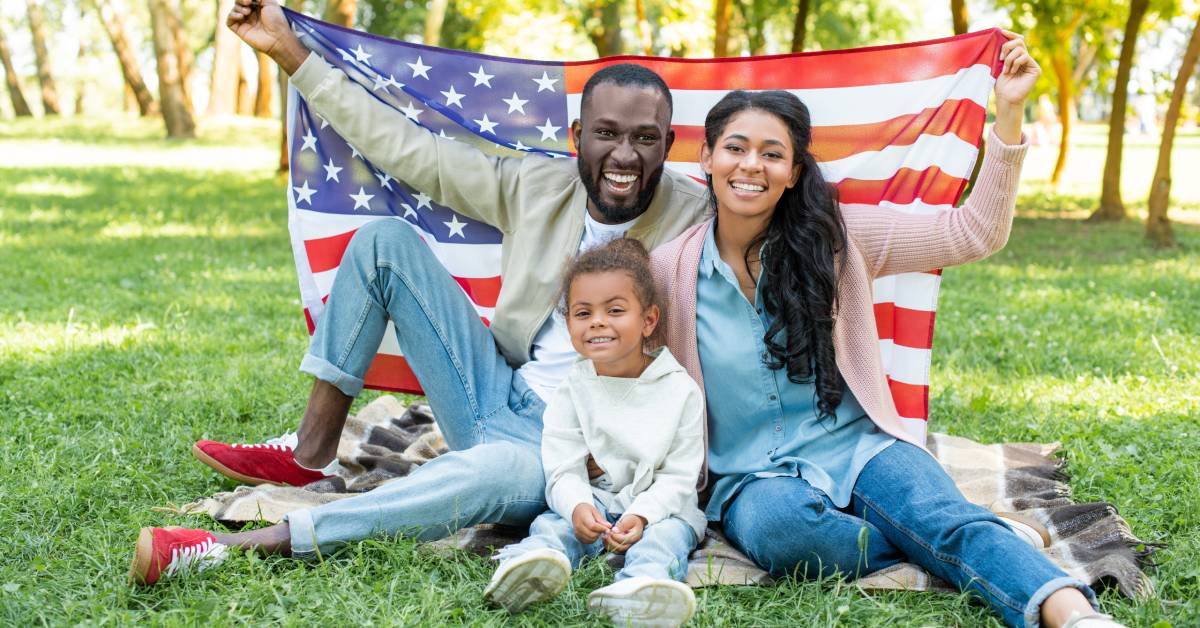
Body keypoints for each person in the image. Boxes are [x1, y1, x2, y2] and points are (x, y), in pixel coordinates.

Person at [127, 0, 708, 586]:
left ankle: (253, 543)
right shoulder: (538, 184)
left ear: (669, 142)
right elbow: (414, 152)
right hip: (495, 395)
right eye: (606, 134)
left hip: (568, 456)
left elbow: (781, 227)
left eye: (645, 138)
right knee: (384, 243)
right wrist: (287, 51)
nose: (625, 156)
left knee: (481, 477)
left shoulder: (698, 216)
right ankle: (311, 453)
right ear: (577, 135)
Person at [648, 33, 1124, 628]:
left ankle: (1073, 613)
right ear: (707, 160)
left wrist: (1008, 111)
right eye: (735, 148)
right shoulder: (667, 270)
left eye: (772, 154)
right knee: (788, 537)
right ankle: (963, 532)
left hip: (861, 446)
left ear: (794, 172)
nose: (751, 166)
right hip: (750, 478)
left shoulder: (839, 240)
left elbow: (974, 233)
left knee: (940, 516)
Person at [482, 238, 705, 627]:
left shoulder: (680, 388)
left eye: (615, 310)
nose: (597, 321)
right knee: (553, 524)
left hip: (663, 510)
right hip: (599, 501)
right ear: (568, 323)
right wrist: (578, 506)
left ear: (648, 320)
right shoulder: (572, 388)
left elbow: (680, 476)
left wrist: (643, 514)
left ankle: (640, 588)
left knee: (665, 540)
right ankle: (529, 568)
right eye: (583, 313)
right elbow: (563, 467)